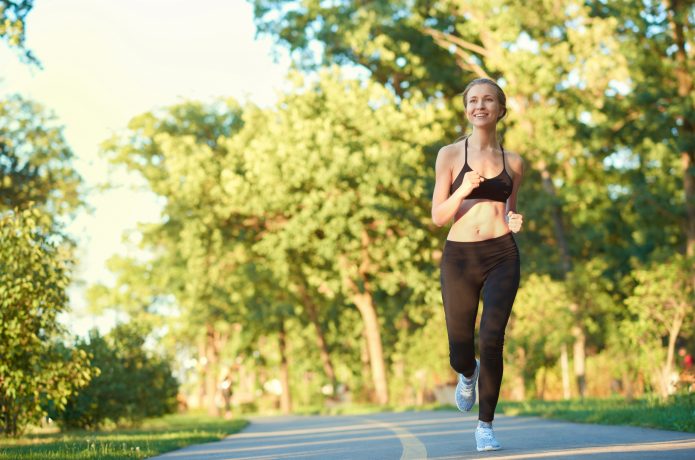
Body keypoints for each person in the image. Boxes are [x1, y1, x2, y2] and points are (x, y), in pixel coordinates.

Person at [431, 78, 524, 452]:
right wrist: (463, 189)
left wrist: (515, 219)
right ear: (466, 109)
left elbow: (510, 208)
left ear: (500, 109)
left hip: (502, 254)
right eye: (473, 100)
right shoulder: (450, 155)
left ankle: (485, 425)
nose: (480, 105)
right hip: (460, 258)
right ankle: (466, 374)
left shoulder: (514, 162)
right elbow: (439, 216)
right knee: (460, 348)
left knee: (492, 339)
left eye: (488, 100)